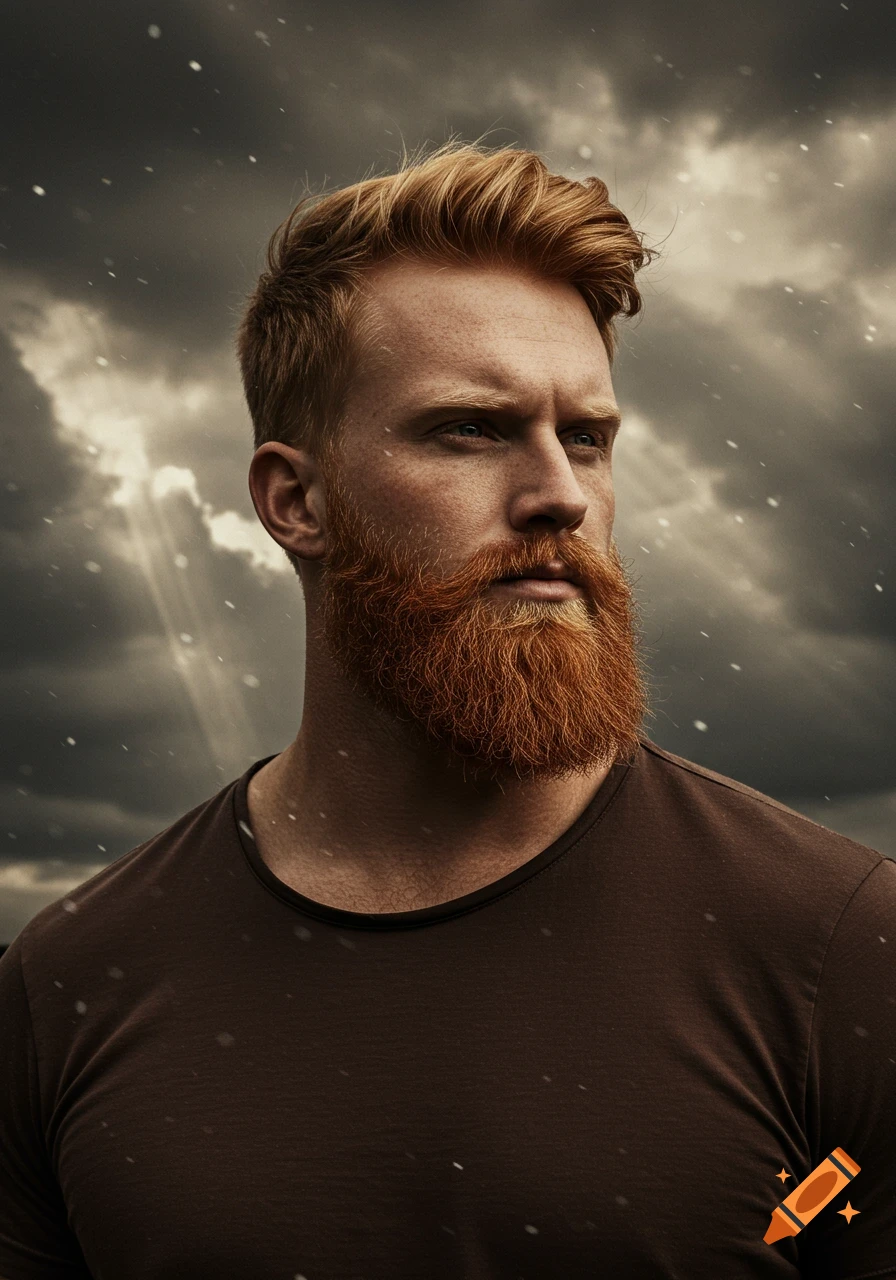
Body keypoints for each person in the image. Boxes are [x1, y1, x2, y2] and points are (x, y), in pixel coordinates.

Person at [0, 142, 893, 1280]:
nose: (559, 493)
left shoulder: (842, 949)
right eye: (468, 429)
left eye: (585, 436)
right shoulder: (68, 982)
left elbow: (835, 1223)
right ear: (294, 499)